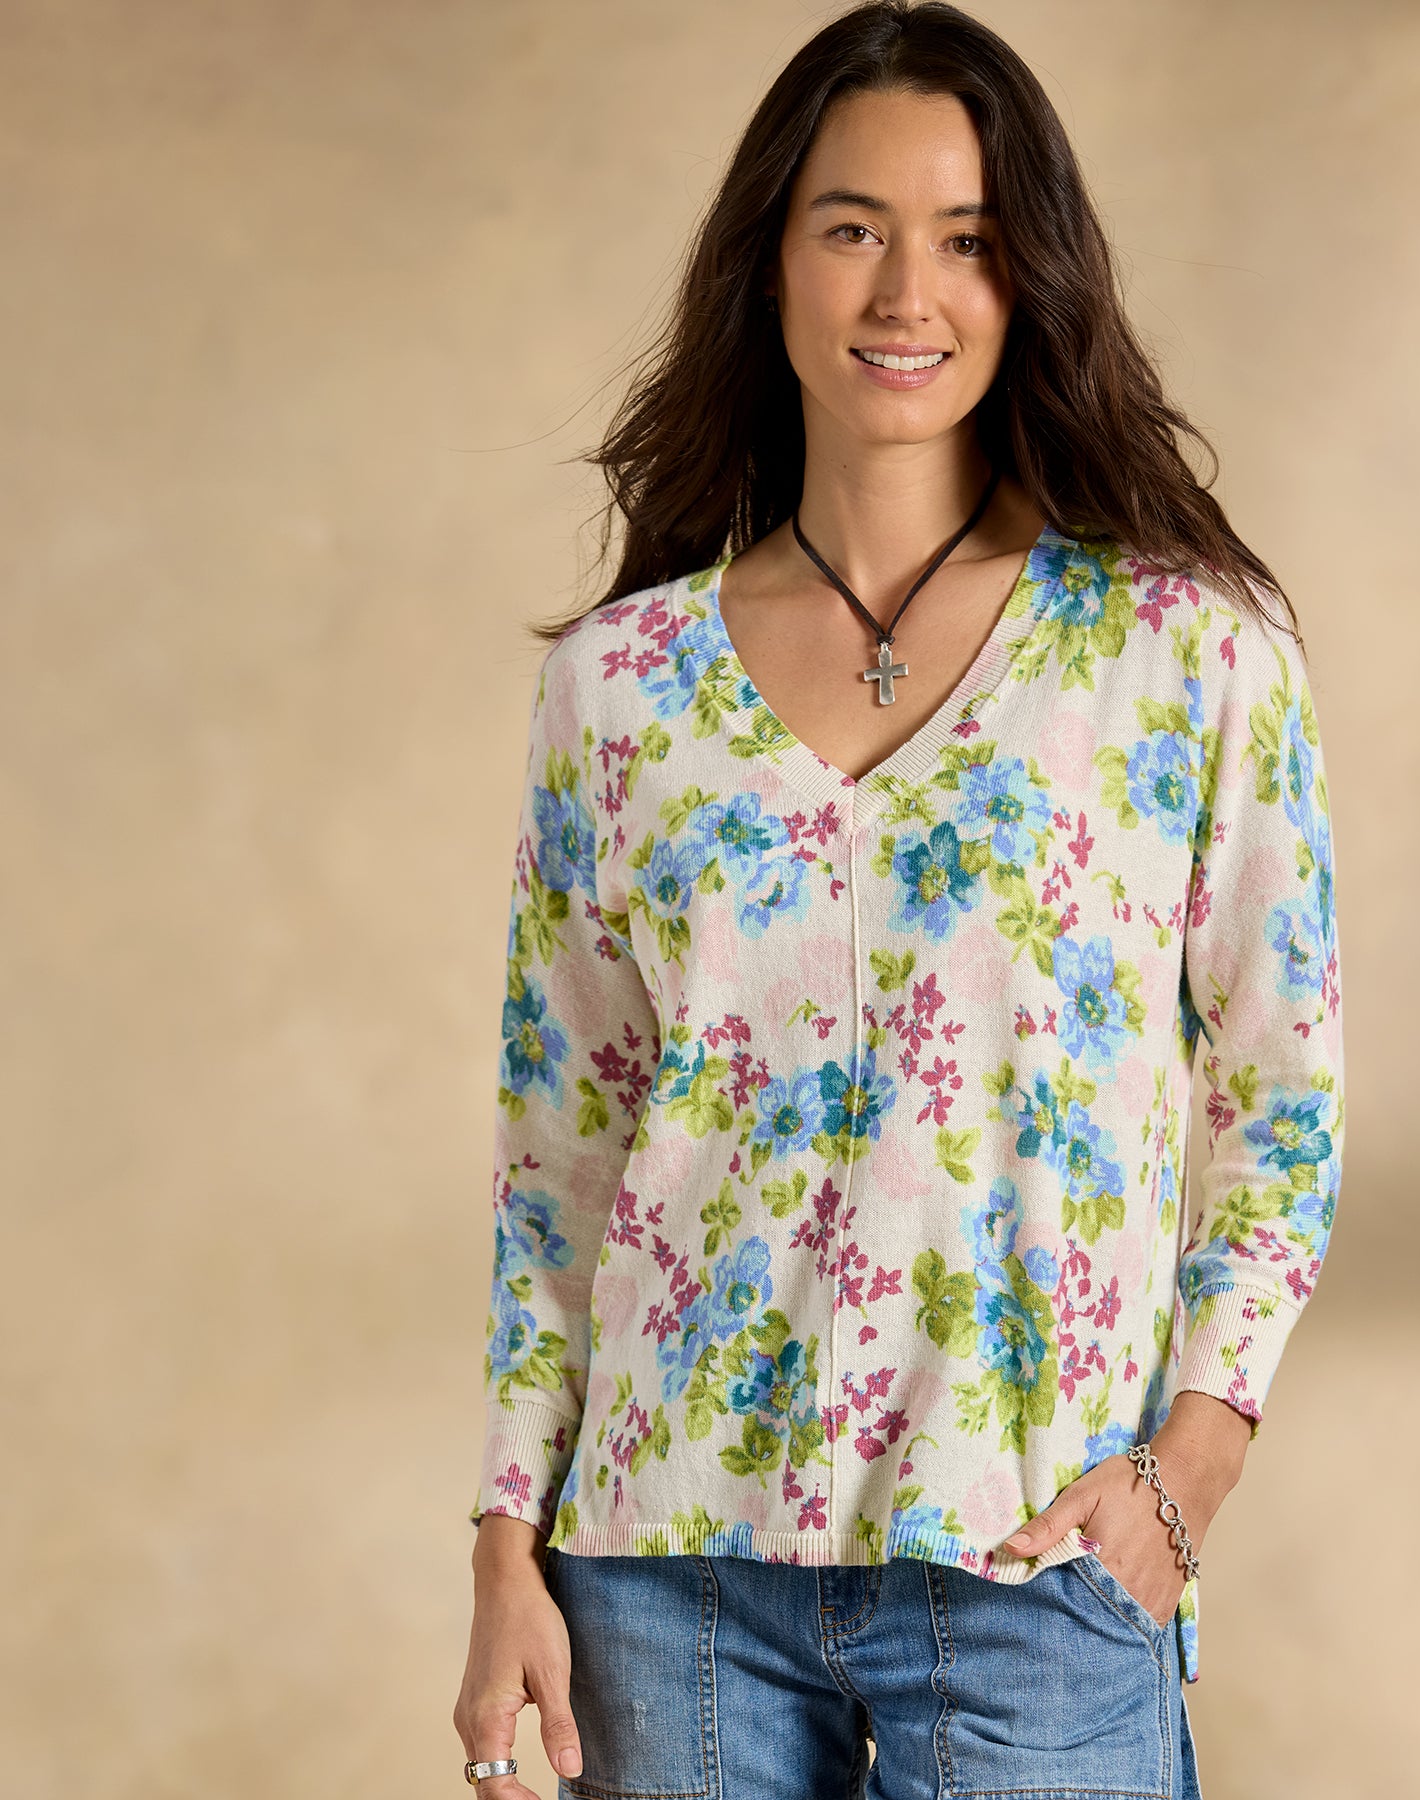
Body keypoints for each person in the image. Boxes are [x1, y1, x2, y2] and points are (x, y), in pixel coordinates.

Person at [452, 5, 1345, 1796]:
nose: (904, 293)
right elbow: (561, 1160)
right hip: (663, 1577)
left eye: (967, 239)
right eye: (852, 227)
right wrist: (502, 1547)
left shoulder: (1184, 653)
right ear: (769, 262)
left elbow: (1282, 1102)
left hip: (1034, 1562)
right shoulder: (618, 690)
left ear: (1031, 282)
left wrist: (1190, 1469)